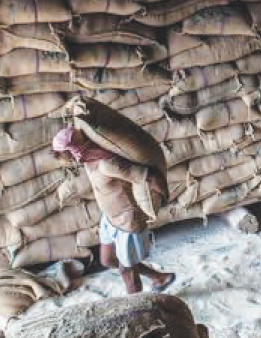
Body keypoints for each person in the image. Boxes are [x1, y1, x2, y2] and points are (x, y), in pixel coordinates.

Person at [52, 126, 176, 295]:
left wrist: (164, 198)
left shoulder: (108, 164)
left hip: (128, 222)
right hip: (110, 219)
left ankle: (136, 310)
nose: (66, 161)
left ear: (74, 150)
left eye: (64, 156)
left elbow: (150, 176)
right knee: (108, 260)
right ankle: (159, 277)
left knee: (127, 271)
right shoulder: (88, 160)